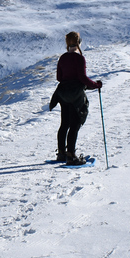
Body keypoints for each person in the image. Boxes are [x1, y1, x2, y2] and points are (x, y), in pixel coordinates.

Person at [50, 31, 102, 166]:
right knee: (75, 123)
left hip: (62, 93)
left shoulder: (62, 58)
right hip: (75, 95)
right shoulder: (80, 58)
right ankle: (71, 156)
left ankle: (61, 153)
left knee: (64, 124)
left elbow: (59, 78)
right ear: (79, 42)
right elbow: (83, 78)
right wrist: (96, 85)